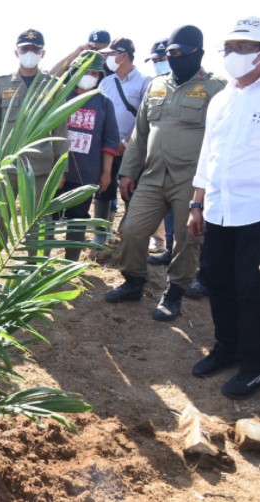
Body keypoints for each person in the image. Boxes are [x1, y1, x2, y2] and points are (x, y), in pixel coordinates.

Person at [104, 25, 226, 322]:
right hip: (153, 175)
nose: (175, 58)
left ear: (199, 54)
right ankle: (134, 281)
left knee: (186, 237)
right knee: (131, 229)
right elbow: (140, 134)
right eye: (171, 53)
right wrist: (128, 173)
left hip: (192, 178)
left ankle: (174, 293)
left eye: (182, 53)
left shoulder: (216, 88)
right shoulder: (157, 85)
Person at [187, 16, 260, 399]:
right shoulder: (220, 99)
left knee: (251, 288)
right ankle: (225, 348)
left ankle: (253, 363)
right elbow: (207, 156)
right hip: (217, 208)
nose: (236, 55)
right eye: (230, 48)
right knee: (218, 281)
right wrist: (196, 204)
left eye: (245, 48)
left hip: (255, 212)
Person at [0, 29, 69, 227]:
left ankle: (36, 259)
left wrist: (61, 169)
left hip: (41, 165)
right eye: (25, 48)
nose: (30, 52)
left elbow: (60, 130)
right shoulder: (2, 83)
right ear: (17, 52)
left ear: (42, 53)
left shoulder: (52, 86)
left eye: (34, 49)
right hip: (7, 163)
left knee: (39, 219)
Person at [58, 51, 119, 260]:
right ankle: (40, 261)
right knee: (48, 218)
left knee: (78, 219)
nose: (90, 76)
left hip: (86, 173)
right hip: (56, 173)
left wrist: (106, 173)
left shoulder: (103, 103)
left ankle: (70, 263)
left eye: (95, 73)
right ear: (75, 70)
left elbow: (110, 141)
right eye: (86, 71)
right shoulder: (60, 97)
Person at [94, 38, 152, 245]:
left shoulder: (145, 81)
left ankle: (129, 233)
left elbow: (146, 117)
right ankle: (100, 235)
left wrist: (126, 142)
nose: (107, 59)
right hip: (107, 147)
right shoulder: (105, 82)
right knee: (103, 189)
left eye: (110, 55)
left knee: (131, 190)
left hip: (133, 148)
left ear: (123, 55)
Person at [144, 38, 173, 259]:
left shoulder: (204, 87)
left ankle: (174, 251)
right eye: (155, 60)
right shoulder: (154, 85)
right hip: (154, 163)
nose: (158, 63)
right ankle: (166, 247)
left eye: (162, 59)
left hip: (183, 165)